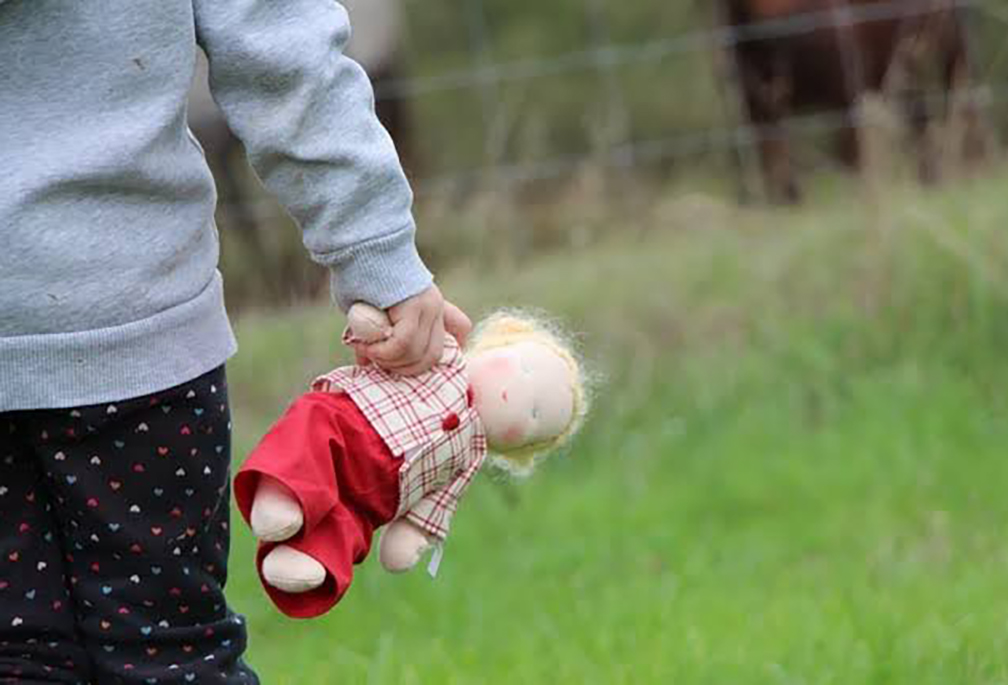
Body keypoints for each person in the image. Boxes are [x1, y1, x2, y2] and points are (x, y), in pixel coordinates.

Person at [0, 0, 470, 682]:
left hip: (134, 349)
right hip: (139, 340)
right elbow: (284, 51)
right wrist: (377, 253)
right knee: (169, 655)